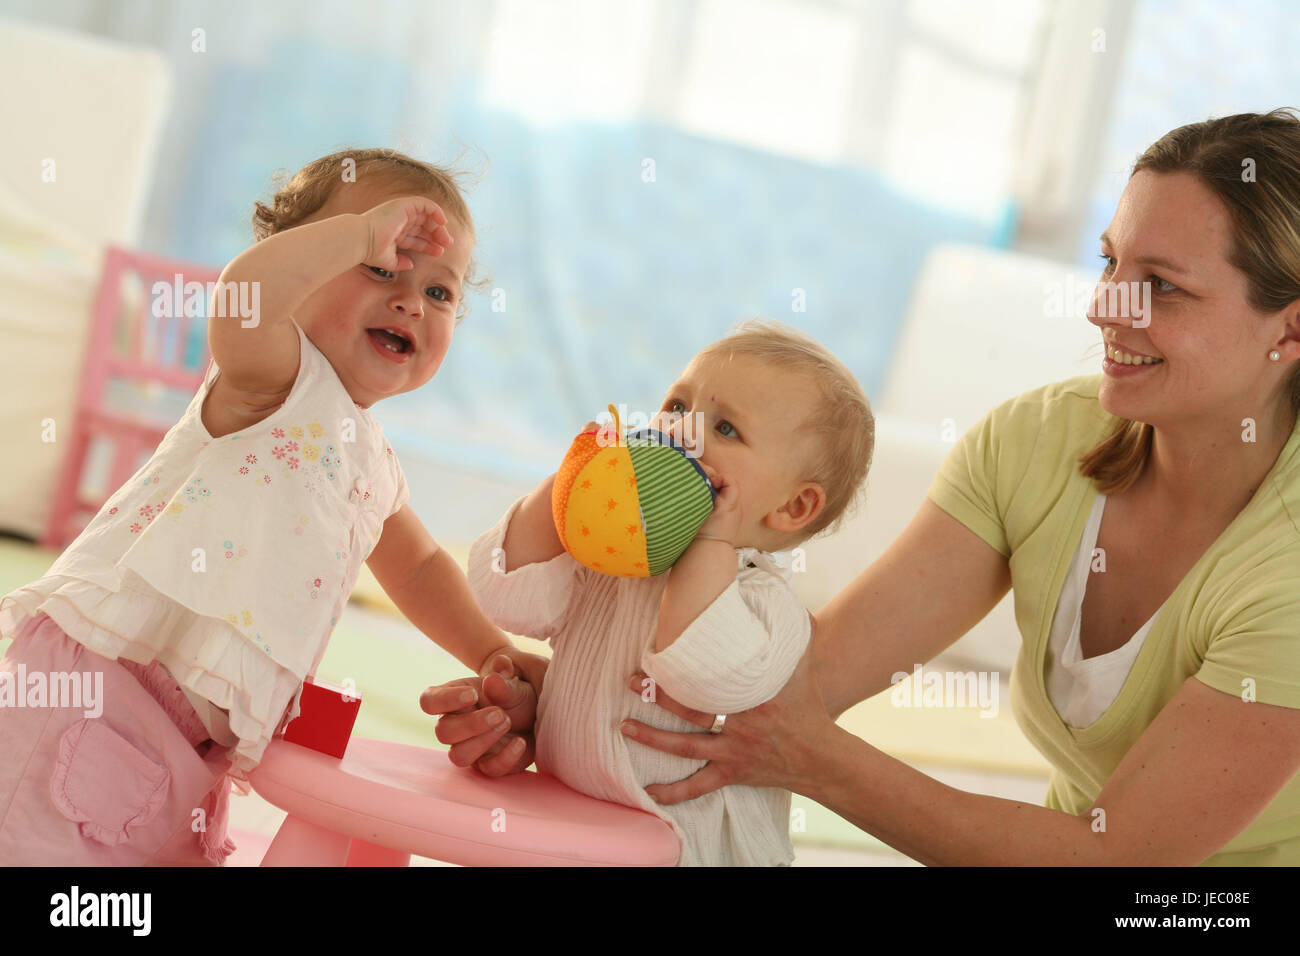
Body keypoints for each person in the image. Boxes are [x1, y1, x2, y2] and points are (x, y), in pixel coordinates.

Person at [425, 109, 1300, 866]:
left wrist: (813, 763)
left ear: (1289, 330)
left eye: (1163, 288)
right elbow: (798, 687)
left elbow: (1127, 863)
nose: (1107, 307)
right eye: (1110, 264)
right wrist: (587, 707)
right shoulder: (1040, 442)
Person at [0, 148, 536, 865]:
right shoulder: (274, 379)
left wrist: (493, 651)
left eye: (441, 293)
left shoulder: (371, 458)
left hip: (194, 746)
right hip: (97, 693)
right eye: (380, 268)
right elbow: (243, 297)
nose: (412, 300)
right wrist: (355, 233)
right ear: (297, 262)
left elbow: (415, 567)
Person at [459, 321, 872, 865]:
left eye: (725, 429)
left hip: (689, 848)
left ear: (792, 508)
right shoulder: (612, 558)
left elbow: (701, 670)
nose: (682, 433)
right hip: (571, 825)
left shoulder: (768, 607)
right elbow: (503, 595)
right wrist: (570, 488)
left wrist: (712, 541)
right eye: (677, 407)